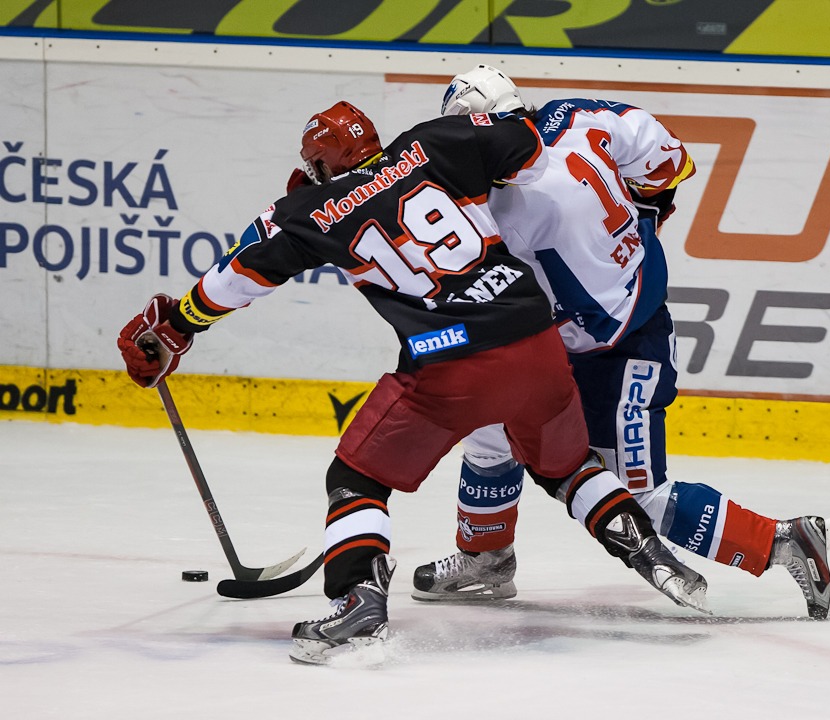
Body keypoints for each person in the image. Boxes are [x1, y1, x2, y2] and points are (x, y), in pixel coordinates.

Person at [117, 101, 709, 665]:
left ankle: (357, 601)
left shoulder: (311, 210)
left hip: (450, 360)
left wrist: (177, 325)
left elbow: (239, 275)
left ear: (320, 164)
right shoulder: (436, 140)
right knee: (567, 467)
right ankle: (649, 552)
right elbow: (528, 152)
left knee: (356, 478)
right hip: (536, 339)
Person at [413, 65, 830, 621]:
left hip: (620, 351)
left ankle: (790, 543)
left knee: (634, 493)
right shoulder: (581, 116)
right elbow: (671, 162)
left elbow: (481, 293)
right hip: (586, 330)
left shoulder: (496, 209)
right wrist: (642, 214)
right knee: (488, 432)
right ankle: (486, 558)